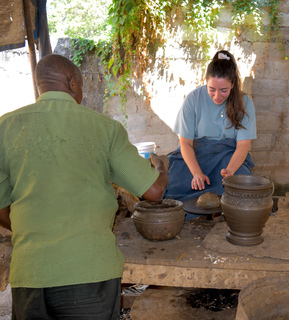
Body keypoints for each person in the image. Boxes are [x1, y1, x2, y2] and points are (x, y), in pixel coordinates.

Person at [0, 54, 168, 319]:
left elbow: (1, 208)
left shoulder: (5, 127)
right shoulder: (104, 128)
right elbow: (154, 192)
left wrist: (35, 226)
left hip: (29, 274)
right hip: (89, 273)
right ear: (72, 83)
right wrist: (160, 167)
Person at [164, 50, 256, 218]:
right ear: (205, 82)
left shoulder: (245, 103)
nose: (217, 96)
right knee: (169, 187)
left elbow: (243, 145)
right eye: (211, 89)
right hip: (196, 156)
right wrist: (197, 173)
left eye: (223, 90)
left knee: (244, 189)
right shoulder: (193, 99)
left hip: (227, 158)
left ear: (233, 84)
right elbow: (185, 144)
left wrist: (230, 172)